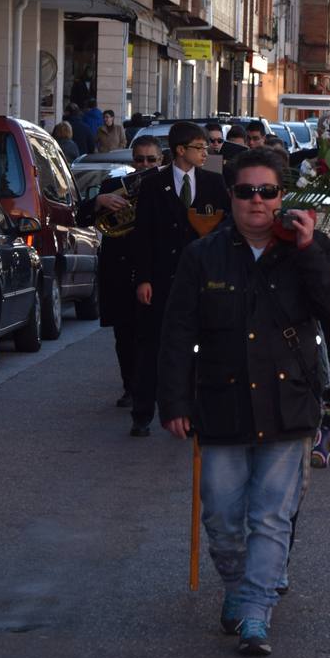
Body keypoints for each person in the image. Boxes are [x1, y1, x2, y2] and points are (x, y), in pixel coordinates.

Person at [158, 148, 330, 658]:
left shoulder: (311, 247)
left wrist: (307, 249)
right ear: (230, 197)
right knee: (221, 516)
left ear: (282, 196)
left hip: (287, 405)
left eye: (267, 192)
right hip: (221, 404)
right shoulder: (203, 255)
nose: (257, 202)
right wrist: (174, 400)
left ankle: (256, 613)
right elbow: (177, 332)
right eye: (245, 192)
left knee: (270, 517)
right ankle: (240, 590)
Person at [131, 122, 231, 437]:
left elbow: (226, 230)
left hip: (202, 281)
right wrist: (143, 279)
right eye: (199, 148)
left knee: (199, 348)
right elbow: (143, 235)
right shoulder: (153, 184)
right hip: (162, 280)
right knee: (153, 347)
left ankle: (190, 413)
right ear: (180, 150)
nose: (206, 153)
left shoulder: (214, 183)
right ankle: (142, 413)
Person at [76, 135, 162, 406]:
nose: (144, 164)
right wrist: (99, 200)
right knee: (124, 335)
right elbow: (82, 217)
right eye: (139, 159)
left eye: (151, 159)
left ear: (160, 161)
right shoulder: (115, 186)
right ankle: (130, 387)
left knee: (154, 335)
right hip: (121, 270)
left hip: (156, 271)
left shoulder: (168, 187)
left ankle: (152, 386)